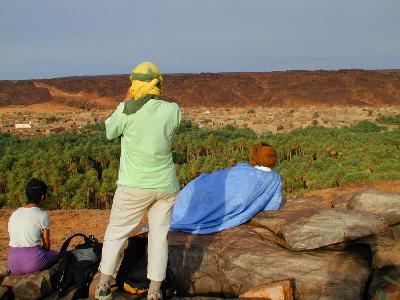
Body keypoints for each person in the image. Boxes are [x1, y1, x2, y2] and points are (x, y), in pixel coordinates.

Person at [96, 61, 181, 300]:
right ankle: (154, 291)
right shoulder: (173, 110)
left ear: (135, 84)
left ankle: (103, 286)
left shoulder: (126, 110)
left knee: (116, 233)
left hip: (133, 184)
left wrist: (126, 101)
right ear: (158, 83)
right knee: (158, 236)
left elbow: (110, 132)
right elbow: (168, 133)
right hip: (165, 185)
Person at [170, 143, 283, 234]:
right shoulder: (274, 180)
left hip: (207, 187)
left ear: (256, 156)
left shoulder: (244, 168)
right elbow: (273, 206)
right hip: (224, 199)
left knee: (198, 192)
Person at [7, 179, 58, 275]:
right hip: (32, 263)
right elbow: (46, 245)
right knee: (58, 255)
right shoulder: (43, 215)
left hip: (13, 263)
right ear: (42, 197)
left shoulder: (15, 213)